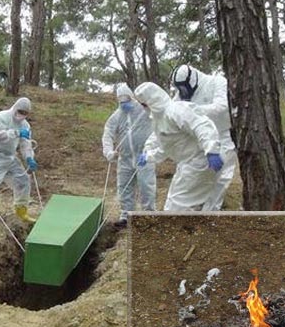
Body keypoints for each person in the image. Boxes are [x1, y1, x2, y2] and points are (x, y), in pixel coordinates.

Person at [133, 82, 223, 211]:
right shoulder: (160, 119)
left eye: (143, 104)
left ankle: (178, 229)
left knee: (176, 207)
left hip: (200, 161)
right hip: (187, 164)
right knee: (177, 203)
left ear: (150, 101)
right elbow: (169, 147)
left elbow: (201, 125)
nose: (143, 108)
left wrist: (211, 150)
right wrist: (149, 156)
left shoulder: (176, 110)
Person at [171, 64, 237, 211]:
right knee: (185, 180)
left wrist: (194, 110)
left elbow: (222, 107)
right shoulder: (180, 94)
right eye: (179, 88)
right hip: (196, 143)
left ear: (192, 80)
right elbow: (172, 113)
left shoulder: (216, 82)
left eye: (184, 87)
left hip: (222, 138)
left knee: (220, 180)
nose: (183, 91)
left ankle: (211, 215)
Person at [101, 83, 157, 229]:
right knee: (124, 187)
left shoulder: (143, 110)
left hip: (143, 156)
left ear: (132, 98)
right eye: (121, 102)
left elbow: (158, 113)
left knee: (146, 185)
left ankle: (149, 215)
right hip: (125, 158)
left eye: (127, 100)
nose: (125, 104)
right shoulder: (117, 116)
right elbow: (108, 133)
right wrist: (109, 152)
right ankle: (126, 215)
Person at [0, 97, 38, 227]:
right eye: (20, 111)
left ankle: (21, 210)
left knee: (23, 180)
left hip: (10, 156)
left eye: (25, 113)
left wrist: (29, 158)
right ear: (15, 108)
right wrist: (16, 133)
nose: (22, 115)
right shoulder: (0, 117)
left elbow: (25, 144)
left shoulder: (25, 125)